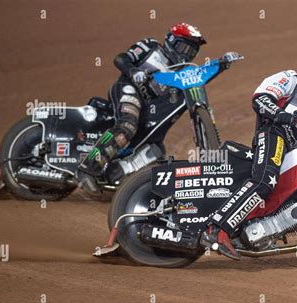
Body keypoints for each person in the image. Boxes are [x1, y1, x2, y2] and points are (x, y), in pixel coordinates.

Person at [201, 50, 297, 260]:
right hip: (273, 133)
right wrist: (280, 114)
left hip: (290, 153)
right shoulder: (291, 80)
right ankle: (216, 230)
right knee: (264, 182)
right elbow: (260, 99)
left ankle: (257, 232)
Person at [77, 23, 212, 192]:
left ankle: (116, 174)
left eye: (191, 51)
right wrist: (133, 71)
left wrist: (222, 64)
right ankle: (87, 168)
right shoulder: (151, 46)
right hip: (128, 88)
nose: (186, 54)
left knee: (156, 150)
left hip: (147, 107)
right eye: (183, 47)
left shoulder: (179, 74)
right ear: (171, 40)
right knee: (127, 126)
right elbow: (121, 58)